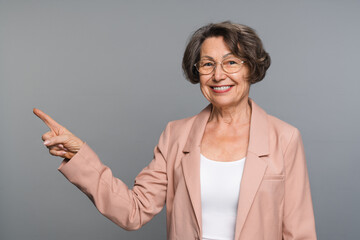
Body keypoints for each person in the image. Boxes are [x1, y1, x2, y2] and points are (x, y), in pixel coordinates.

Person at [34, 21, 317, 240]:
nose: (219, 75)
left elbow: (299, 233)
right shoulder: (176, 135)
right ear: (197, 73)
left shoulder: (285, 138)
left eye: (231, 62)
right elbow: (133, 211)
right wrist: (80, 155)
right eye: (208, 64)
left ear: (251, 68)